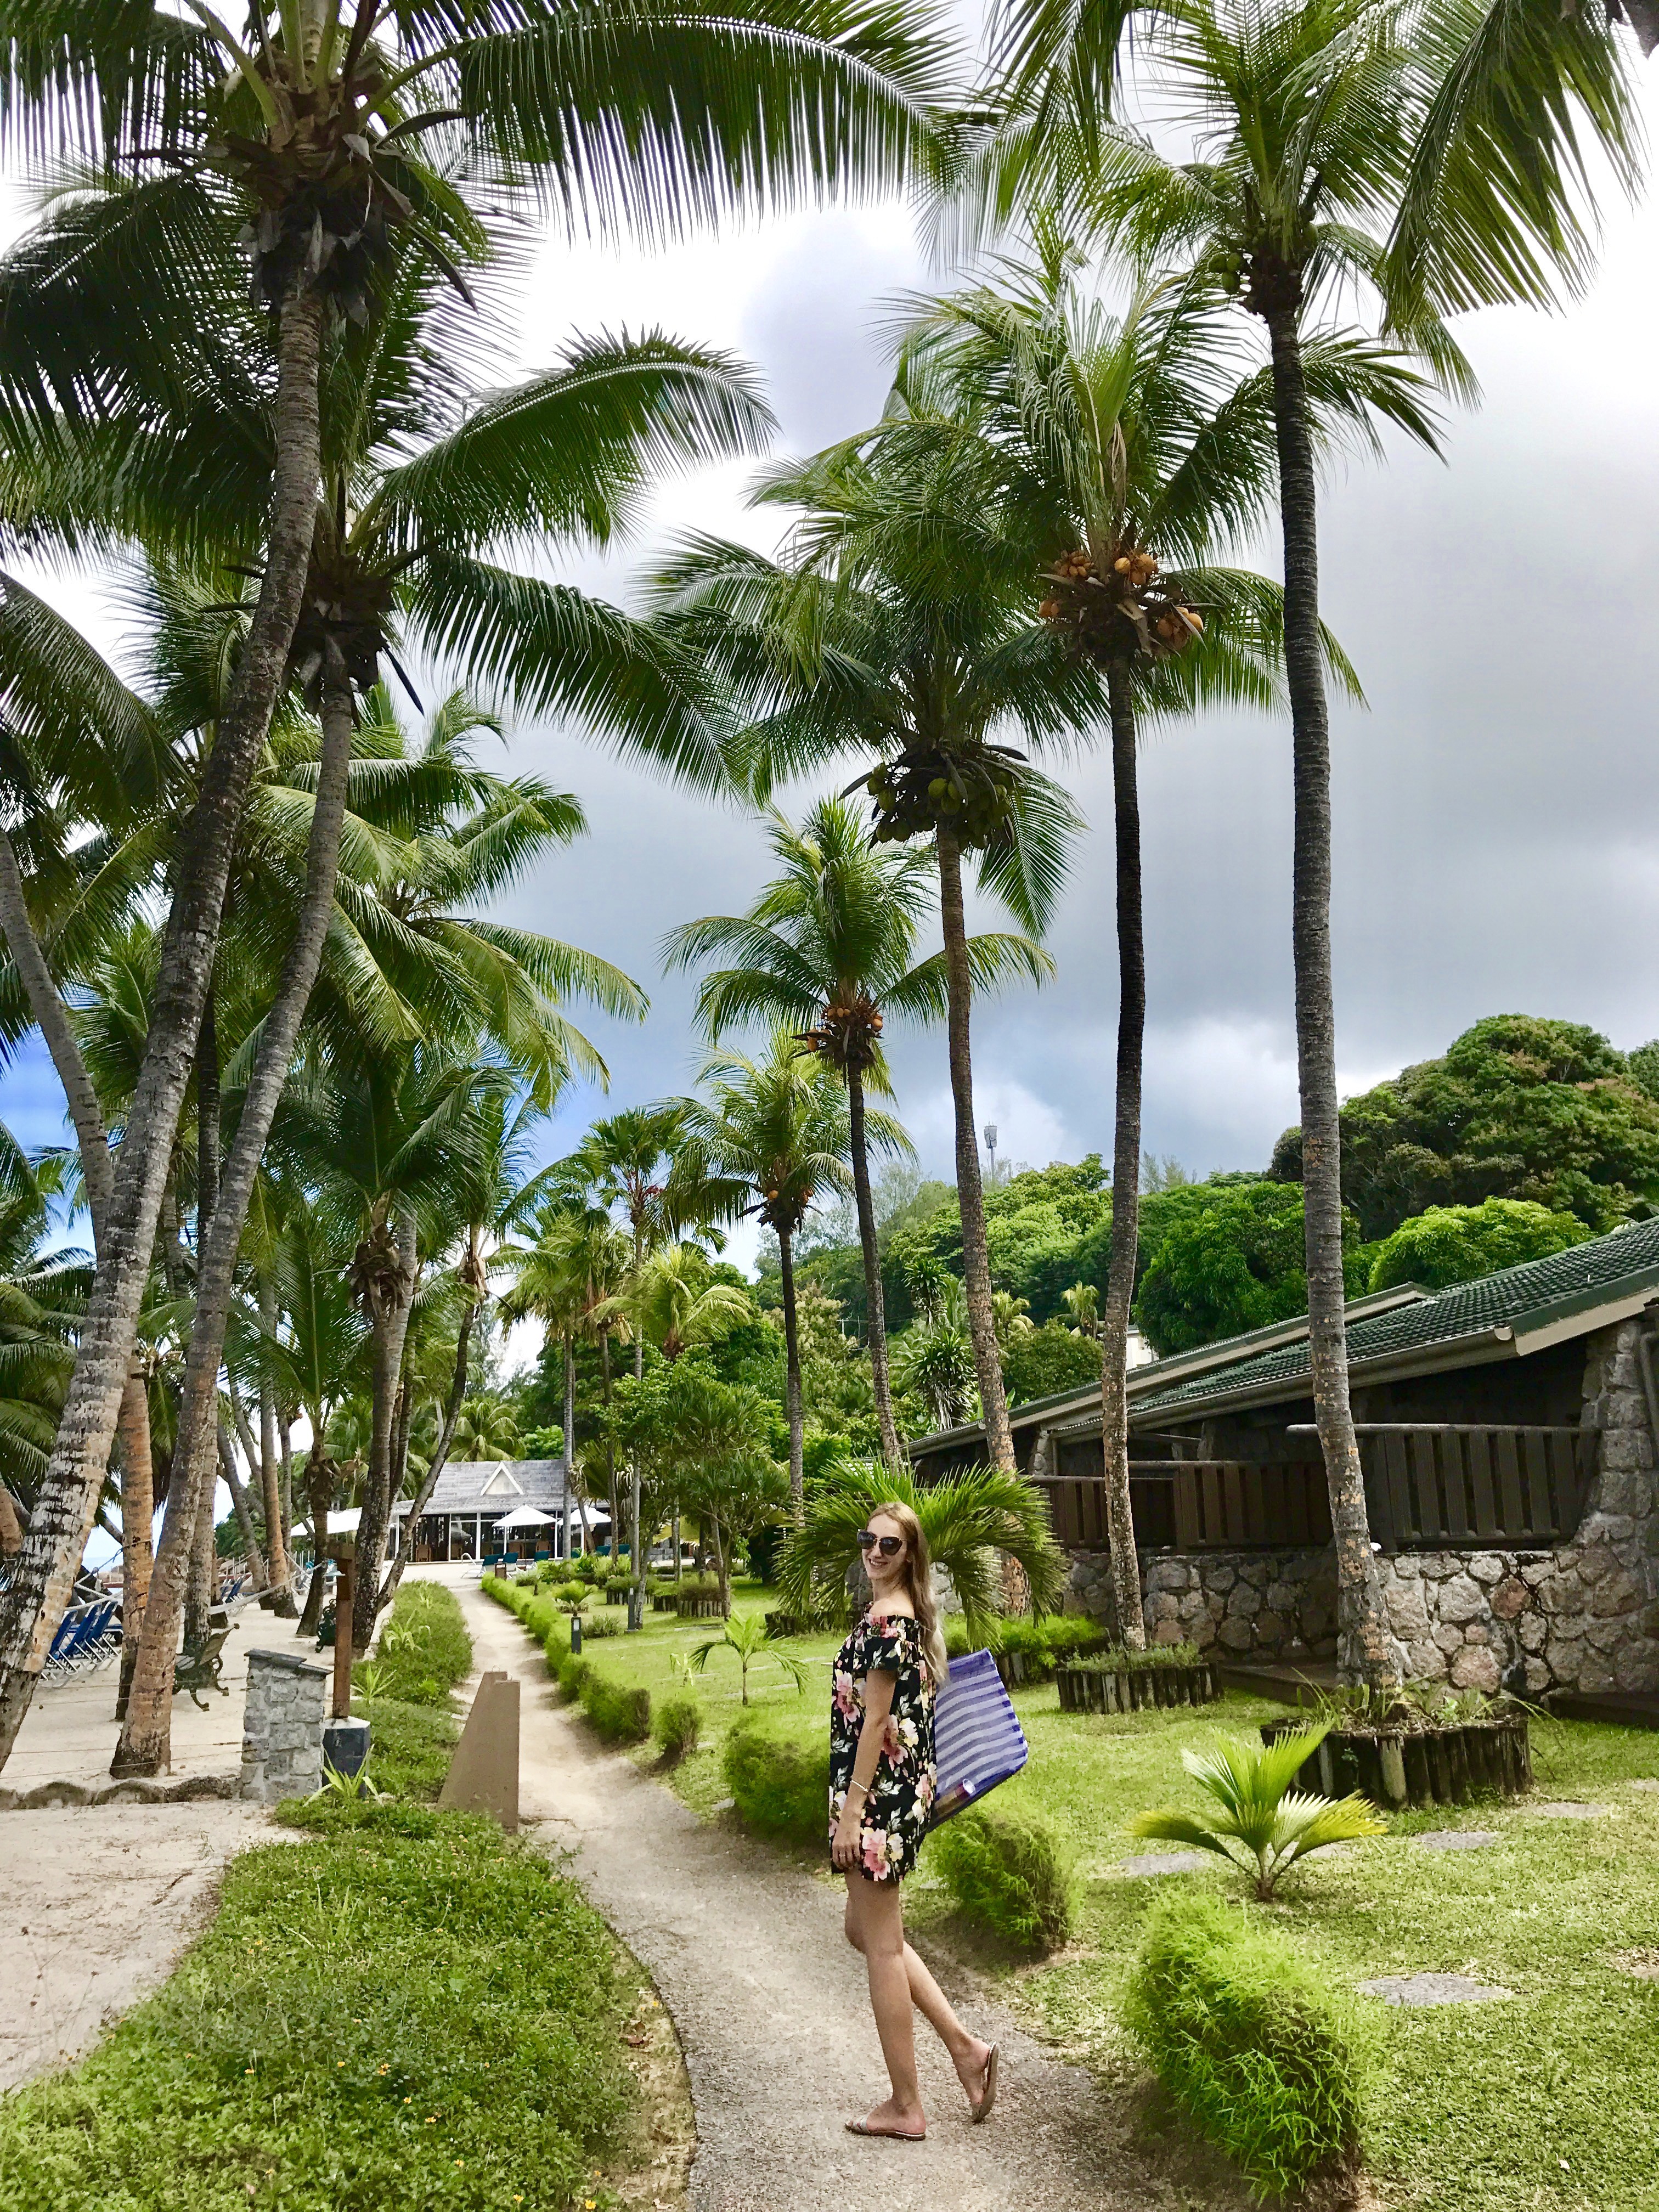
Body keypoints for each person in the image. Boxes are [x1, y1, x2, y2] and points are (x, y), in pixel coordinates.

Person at [830, 1500, 998, 2140]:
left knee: (880, 1947)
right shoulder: (902, 1616)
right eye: (868, 1540)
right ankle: (965, 2048)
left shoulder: (889, 1622)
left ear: (910, 1555)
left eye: (890, 1545)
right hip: (896, 1796)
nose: (874, 1552)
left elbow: (876, 1722)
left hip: (877, 1801)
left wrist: (852, 1812)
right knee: (868, 1931)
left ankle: (907, 2105)